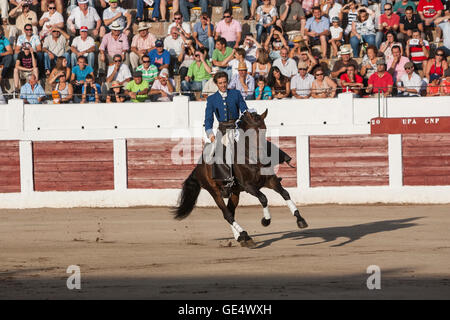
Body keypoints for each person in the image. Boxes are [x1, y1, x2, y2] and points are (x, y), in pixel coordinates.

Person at [204, 71, 248, 189]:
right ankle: (227, 178)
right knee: (219, 152)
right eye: (220, 83)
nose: (223, 85)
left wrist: (245, 118)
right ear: (216, 84)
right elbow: (208, 119)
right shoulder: (212, 99)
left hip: (236, 127)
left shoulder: (236, 94)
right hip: (222, 130)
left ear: (227, 82)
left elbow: (244, 110)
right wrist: (210, 134)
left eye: (224, 82)